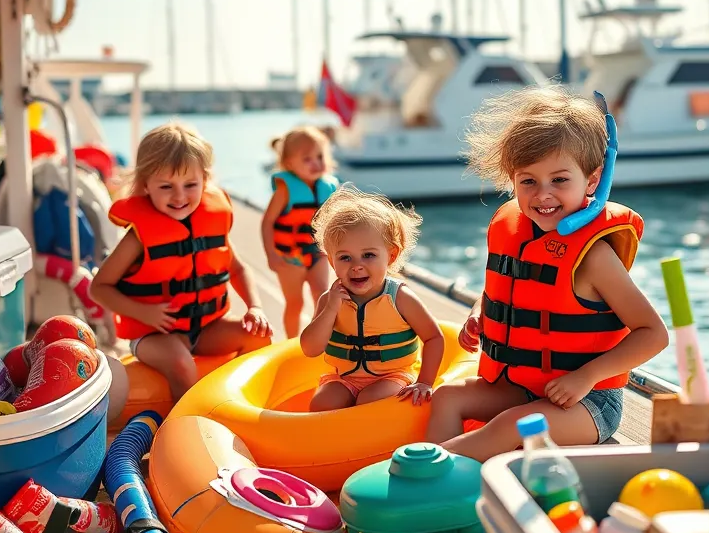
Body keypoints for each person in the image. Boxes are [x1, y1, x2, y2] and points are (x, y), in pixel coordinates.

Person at [424, 86, 667, 457]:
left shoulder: (595, 256)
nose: (543, 195)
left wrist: (585, 378)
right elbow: (507, 294)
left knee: (511, 425)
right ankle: (442, 482)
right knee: (447, 397)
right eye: (528, 181)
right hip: (524, 386)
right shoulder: (512, 230)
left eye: (559, 180)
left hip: (590, 403)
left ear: (591, 180)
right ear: (512, 179)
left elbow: (654, 335)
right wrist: (479, 313)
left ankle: (432, 473)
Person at [89, 123, 271, 400]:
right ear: (146, 185)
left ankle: (236, 402)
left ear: (205, 180)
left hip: (207, 326)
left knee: (259, 337)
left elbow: (237, 267)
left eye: (190, 185)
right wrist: (143, 313)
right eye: (166, 186)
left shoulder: (211, 221)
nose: (179, 196)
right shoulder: (137, 237)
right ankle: (185, 422)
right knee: (181, 362)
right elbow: (99, 288)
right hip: (154, 334)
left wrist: (255, 307)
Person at [300, 186, 444, 411]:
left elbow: (434, 338)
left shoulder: (400, 298)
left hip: (393, 376)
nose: (357, 266)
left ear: (391, 255)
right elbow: (310, 349)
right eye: (345, 257)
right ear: (331, 262)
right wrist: (329, 310)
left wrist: (424, 382)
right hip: (344, 378)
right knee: (321, 405)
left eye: (368, 255)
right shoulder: (330, 300)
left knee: (369, 403)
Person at [261, 126, 339, 337]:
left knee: (322, 298)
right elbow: (267, 222)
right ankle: (292, 342)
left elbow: (335, 223)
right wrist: (271, 255)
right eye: (307, 159)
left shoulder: (329, 187)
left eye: (320, 156)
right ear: (289, 164)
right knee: (295, 303)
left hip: (318, 253)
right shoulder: (285, 190)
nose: (316, 163)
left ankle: (318, 339)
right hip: (290, 257)